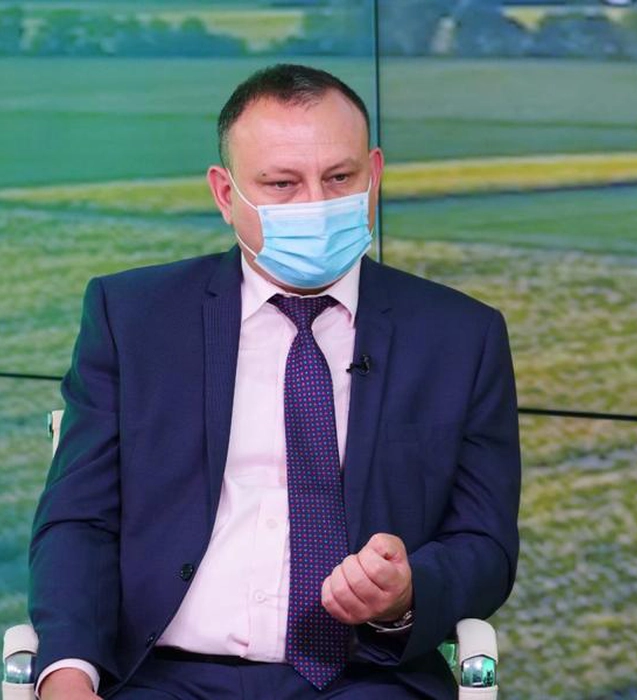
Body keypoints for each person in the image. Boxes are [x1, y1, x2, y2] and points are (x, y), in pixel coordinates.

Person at [29, 63, 521, 700]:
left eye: (339, 178)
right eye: (282, 184)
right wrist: (68, 674)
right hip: (165, 676)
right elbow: (79, 519)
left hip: (367, 679)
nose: (315, 205)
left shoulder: (461, 336)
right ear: (225, 193)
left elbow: (483, 543)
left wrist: (405, 593)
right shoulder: (134, 318)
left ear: (374, 174)